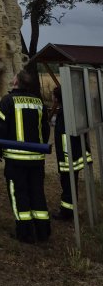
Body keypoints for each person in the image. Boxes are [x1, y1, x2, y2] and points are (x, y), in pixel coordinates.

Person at [0, 70, 51, 244]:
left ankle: (25, 232)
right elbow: (45, 129)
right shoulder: (38, 102)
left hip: (15, 158)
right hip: (36, 158)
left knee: (18, 193)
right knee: (37, 192)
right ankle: (43, 231)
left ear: (16, 82)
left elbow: (0, 130)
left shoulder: (7, 101)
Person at [50, 86, 92, 220]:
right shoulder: (69, 111)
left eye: (53, 95)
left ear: (57, 98)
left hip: (67, 157)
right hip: (72, 155)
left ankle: (66, 212)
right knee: (71, 182)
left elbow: (64, 137)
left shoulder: (63, 114)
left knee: (68, 184)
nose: (52, 98)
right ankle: (69, 208)